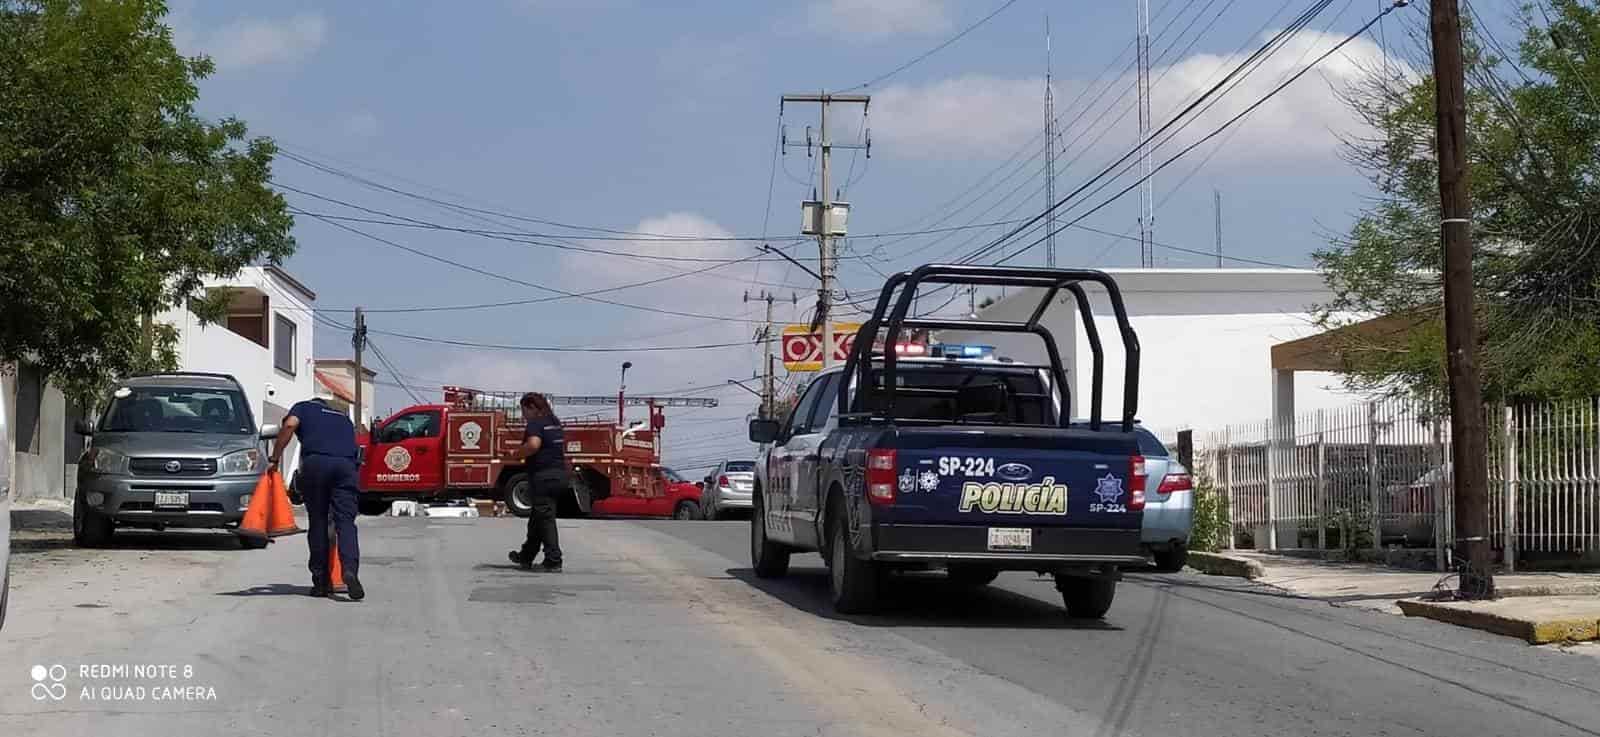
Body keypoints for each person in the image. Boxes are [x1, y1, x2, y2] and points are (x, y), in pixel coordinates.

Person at [268, 397, 364, 600]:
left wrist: (275, 459)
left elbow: (290, 425)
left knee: (319, 522)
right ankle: (350, 571)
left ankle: (320, 582)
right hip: (347, 466)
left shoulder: (302, 407)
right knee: (346, 523)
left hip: (317, 464)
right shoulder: (342, 417)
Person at [508, 392, 565, 572]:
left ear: (532, 407)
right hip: (559, 474)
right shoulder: (554, 423)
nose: (523, 414)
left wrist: (515, 454)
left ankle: (553, 560)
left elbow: (533, 445)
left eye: (524, 410)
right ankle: (526, 556)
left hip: (543, 476)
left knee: (545, 519)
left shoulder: (536, 424)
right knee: (537, 519)